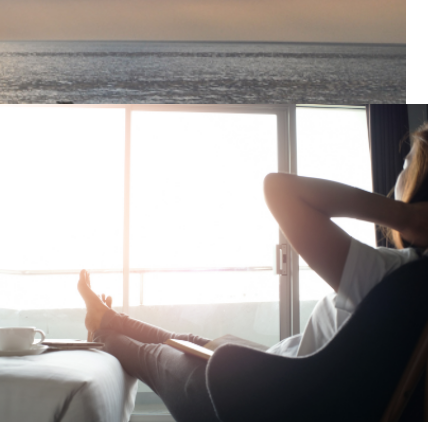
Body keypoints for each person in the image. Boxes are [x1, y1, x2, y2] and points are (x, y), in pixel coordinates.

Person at [77, 123, 428, 422]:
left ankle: (103, 332)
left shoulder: (394, 276)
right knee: (190, 341)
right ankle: (110, 318)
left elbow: (278, 188)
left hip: (250, 399)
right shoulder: (404, 279)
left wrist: (405, 217)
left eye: (406, 162)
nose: (398, 173)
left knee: (153, 357)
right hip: (277, 377)